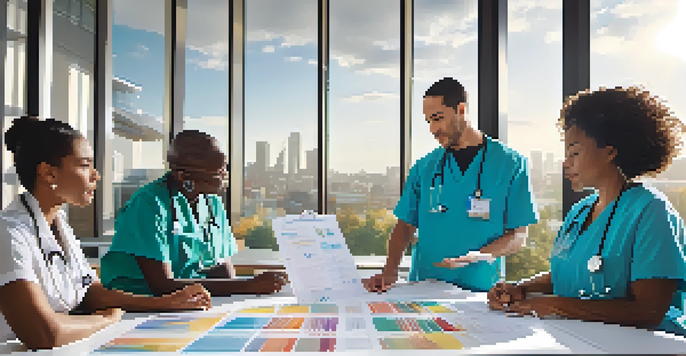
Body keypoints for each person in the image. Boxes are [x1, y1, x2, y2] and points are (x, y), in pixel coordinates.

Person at [0, 117, 212, 350]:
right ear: (49, 173)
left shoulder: (59, 225)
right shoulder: (9, 232)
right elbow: (43, 333)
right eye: (84, 165)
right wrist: (106, 319)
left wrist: (165, 303)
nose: (95, 175)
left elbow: (92, 292)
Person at [487, 86, 686, 333]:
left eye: (575, 152)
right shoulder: (580, 211)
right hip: (582, 340)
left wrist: (556, 306)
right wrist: (521, 288)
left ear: (610, 152)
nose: (565, 162)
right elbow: (571, 273)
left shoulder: (651, 211)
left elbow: (648, 311)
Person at [363, 77, 539, 293]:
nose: (433, 129)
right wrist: (389, 271)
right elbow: (405, 226)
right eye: (429, 121)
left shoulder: (511, 164)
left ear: (461, 110)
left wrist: (479, 255)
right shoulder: (424, 167)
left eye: (438, 118)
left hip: (480, 291)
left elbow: (517, 235)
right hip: (424, 289)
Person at [100, 130, 288, 298]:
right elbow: (162, 285)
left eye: (225, 166)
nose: (224, 175)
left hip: (190, 300)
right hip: (138, 302)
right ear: (183, 176)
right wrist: (249, 285)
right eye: (217, 169)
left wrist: (248, 290)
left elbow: (222, 271)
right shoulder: (149, 204)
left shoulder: (213, 204)